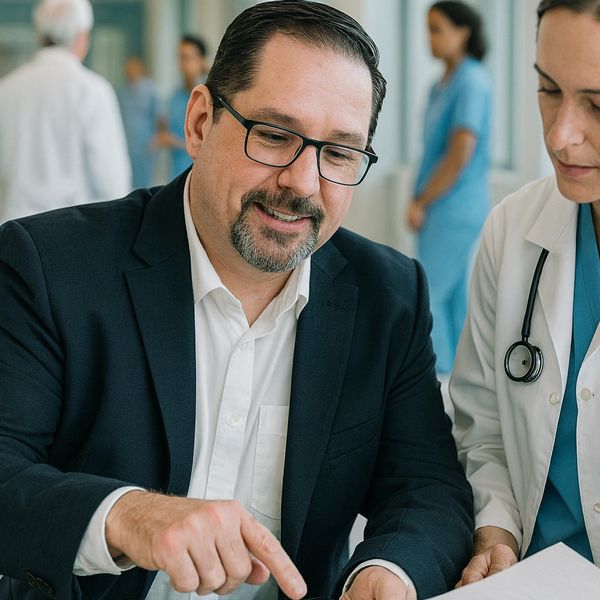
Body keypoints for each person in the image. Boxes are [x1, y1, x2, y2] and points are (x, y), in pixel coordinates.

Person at [0, 2, 473, 599]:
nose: (302, 183)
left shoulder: (390, 296)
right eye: (274, 136)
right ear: (200, 123)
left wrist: (387, 572)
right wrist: (130, 516)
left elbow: (426, 487)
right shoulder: (49, 266)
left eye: (338, 154)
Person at [452, 0, 600, 587]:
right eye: (547, 89)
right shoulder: (514, 230)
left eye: (598, 103)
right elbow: (483, 425)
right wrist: (497, 532)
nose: (561, 134)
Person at [406, 1, 491, 375]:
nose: (430, 38)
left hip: (454, 207)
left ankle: (429, 386)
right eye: (428, 29)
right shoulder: (440, 84)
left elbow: (459, 155)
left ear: (463, 32)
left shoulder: (472, 80)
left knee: (428, 298)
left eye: (438, 29)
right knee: (452, 301)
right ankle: (456, 392)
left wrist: (421, 199)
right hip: (439, 205)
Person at [0, 0, 131, 223]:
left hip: (11, 233)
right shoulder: (93, 92)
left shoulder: (6, 90)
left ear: (39, 35)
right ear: (82, 36)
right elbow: (111, 182)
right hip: (70, 235)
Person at [157, 34, 209, 180]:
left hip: (202, 177)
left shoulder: (212, 98)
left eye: (187, 57)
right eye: (180, 58)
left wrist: (174, 141)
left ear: (201, 61)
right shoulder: (173, 99)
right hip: (176, 176)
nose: (183, 64)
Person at [120, 57, 160, 189]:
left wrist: (155, 138)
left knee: (145, 181)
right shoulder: (124, 92)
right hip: (129, 143)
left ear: (139, 69)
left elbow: (157, 115)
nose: (128, 72)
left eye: (131, 68)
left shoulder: (149, 90)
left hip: (145, 142)